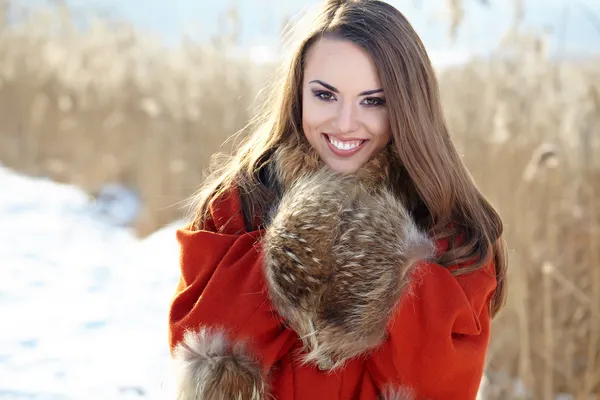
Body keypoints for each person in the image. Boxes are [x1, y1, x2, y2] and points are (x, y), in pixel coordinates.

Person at [167, 0, 508, 399]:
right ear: (298, 94)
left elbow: (439, 386)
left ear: (407, 106)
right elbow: (199, 359)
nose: (345, 123)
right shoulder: (238, 204)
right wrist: (294, 249)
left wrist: (377, 257)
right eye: (325, 95)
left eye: (373, 101)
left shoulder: (450, 233)